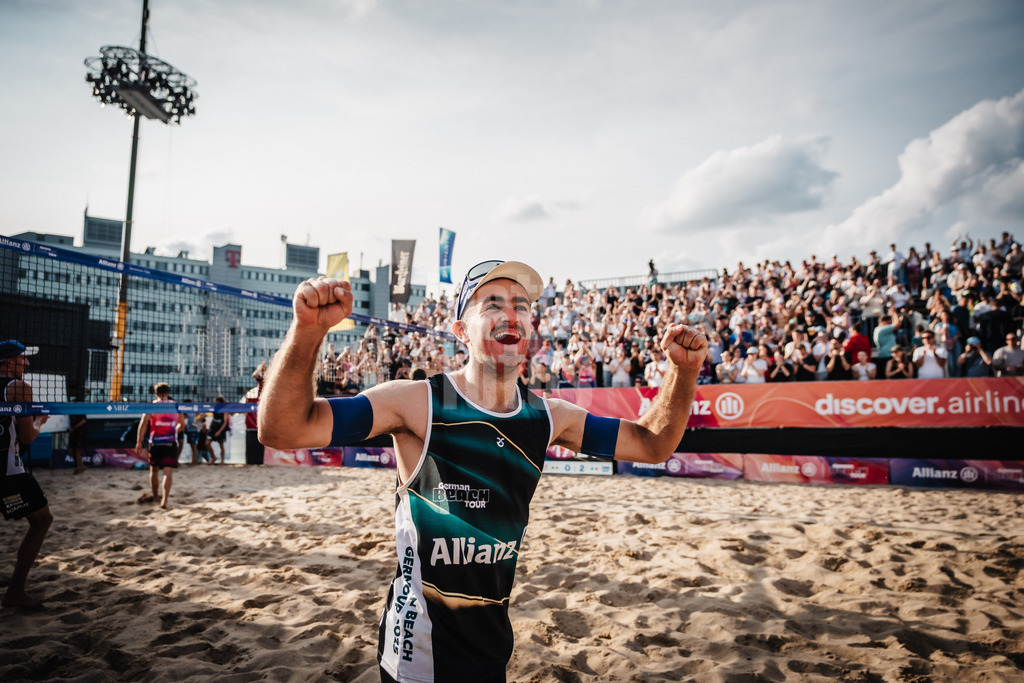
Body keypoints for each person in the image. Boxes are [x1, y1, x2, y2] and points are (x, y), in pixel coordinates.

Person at [258, 260, 707, 682]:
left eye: (521, 306)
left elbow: (652, 444)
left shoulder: (548, 417)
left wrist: (683, 374)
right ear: (461, 331)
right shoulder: (417, 403)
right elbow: (283, 429)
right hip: (420, 659)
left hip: (494, 650)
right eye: (492, 304)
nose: (510, 314)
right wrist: (307, 333)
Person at [0, 340, 53, 609]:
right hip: (7, 470)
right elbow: (27, 437)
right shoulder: (19, 387)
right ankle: (15, 593)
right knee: (42, 520)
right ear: (9, 362)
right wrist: (38, 422)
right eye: (23, 358)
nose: (27, 363)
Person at [135, 383, 186, 509]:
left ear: (155, 393)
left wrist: (139, 442)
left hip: (155, 442)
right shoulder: (175, 406)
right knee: (167, 472)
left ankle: (156, 497)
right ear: (168, 393)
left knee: (154, 470)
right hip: (170, 443)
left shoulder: (151, 406)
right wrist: (174, 431)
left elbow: (143, 424)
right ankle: (165, 500)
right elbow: (182, 425)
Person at [245, 362, 267, 465]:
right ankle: (254, 462)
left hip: (264, 404)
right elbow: (255, 374)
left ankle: (258, 462)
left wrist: (262, 367)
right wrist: (261, 367)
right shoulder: (262, 382)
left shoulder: (267, 382)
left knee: (259, 444)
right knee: (254, 444)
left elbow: (256, 374)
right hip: (261, 403)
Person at [208, 397, 230, 464]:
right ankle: (213, 457)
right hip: (214, 428)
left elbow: (225, 422)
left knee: (221, 445)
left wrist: (219, 431)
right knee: (207, 443)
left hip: (220, 429)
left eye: (216, 401)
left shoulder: (225, 409)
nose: (215, 403)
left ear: (220, 402)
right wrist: (209, 428)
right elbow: (214, 419)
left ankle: (222, 461)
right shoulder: (215, 409)